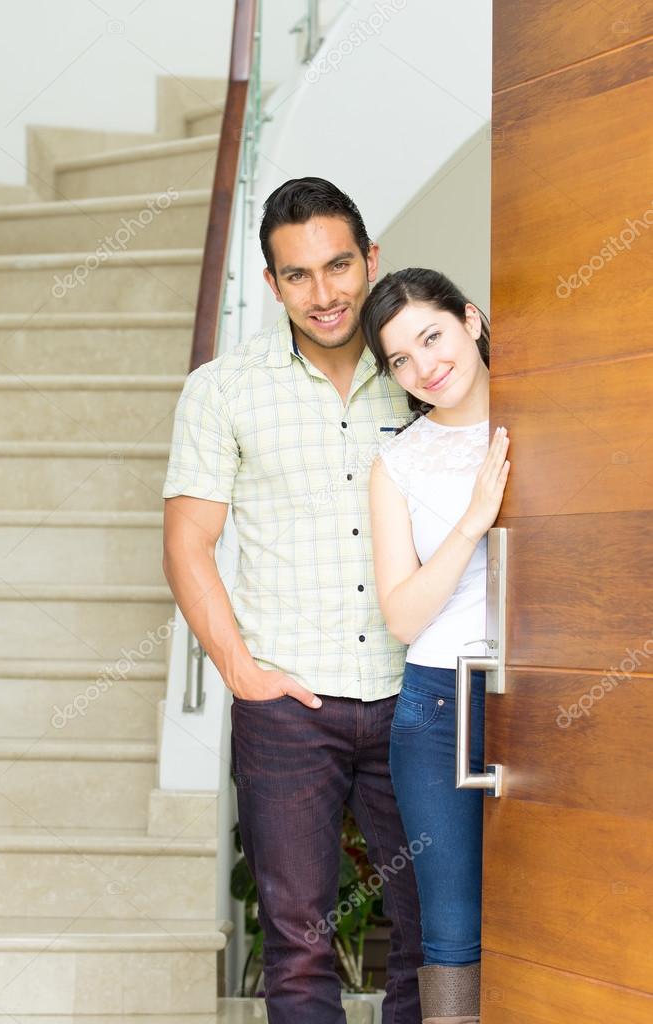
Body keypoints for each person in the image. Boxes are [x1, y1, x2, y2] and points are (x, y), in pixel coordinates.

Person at [162, 178, 424, 1023]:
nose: (326, 292)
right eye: (299, 275)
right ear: (271, 284)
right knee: (299, 940)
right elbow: (187, 543)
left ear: (371, 259)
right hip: (288, 706)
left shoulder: (421, 373)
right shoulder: (222, 388)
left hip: (412, 695)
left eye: (340, 264)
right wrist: (240, 671)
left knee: (432, 930)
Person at [360, 268, 510, 1024]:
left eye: (432, 336)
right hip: (440, 707)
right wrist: (472, 521)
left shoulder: (554, 411)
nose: (425, 367)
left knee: (558, 910)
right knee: (451, 935)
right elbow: (403, 616)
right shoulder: (398, 464)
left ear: (471, 320)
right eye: (400, 360)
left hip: (542, 690)